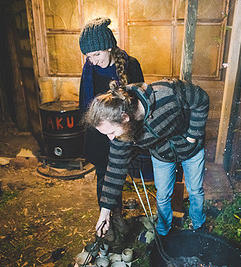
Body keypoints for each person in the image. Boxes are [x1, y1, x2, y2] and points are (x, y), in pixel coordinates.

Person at [83, 79, 209, 238]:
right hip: (162, 154)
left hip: (191, 148)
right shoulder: (122, 134)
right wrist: (105, 212)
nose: (111, 138)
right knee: (163, 194)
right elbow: (115, 169)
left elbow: (201, 99)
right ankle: (163, 231)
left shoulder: (166, 93)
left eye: (111, 132)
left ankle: (199, 226)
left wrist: (193, 136)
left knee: (195, 190)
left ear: (125, 118)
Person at [78, 18, 144, 242]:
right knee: (102, 177)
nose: (92, 61)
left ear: (109, 46)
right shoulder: (89, 71)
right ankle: (110, 220)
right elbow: (84, 106)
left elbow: (140, 103)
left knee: (118, 174)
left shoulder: (131, 64)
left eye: (96, 54)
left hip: (122, 131)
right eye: (88, 56)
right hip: (99, 134)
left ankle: (119, 217)